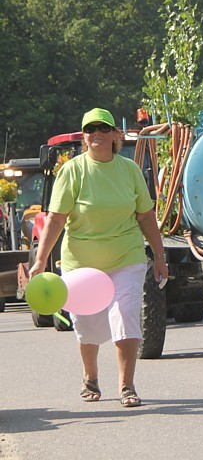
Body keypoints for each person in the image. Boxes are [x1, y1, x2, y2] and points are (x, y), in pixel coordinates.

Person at [29, 108, 168, 406]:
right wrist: (40, 262)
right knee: (87, 324)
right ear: (84, 136)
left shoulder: (129, 170)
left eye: (103, 128)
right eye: (91, 129)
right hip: (81, 262)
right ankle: (90, 377)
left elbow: (145, 215)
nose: (97, 134)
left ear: (115, 135)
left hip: (125, 256)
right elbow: (55, 219)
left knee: (126, 313)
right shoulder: (73, 171)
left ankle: (127, 385)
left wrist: (159, 255)